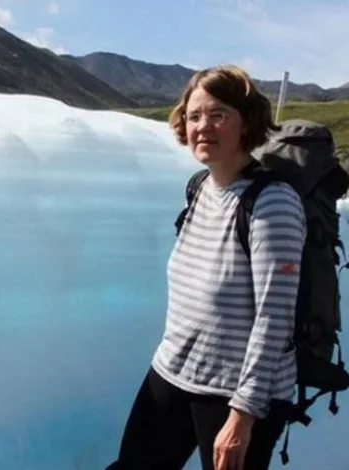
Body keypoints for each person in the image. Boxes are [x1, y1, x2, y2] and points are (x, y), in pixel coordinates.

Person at [107, 65, 306, 470]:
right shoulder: (200, 187)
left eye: (218, 115)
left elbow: (274, 317)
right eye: (194, 116)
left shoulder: (273, 203)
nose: (203, 126)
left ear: (246, 121)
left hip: (236, 394)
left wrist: (243, 414)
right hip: (174, 373)